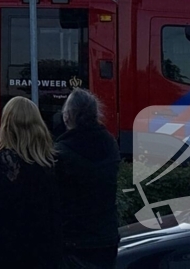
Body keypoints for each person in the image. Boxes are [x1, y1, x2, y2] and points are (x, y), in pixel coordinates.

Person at [0, 96, 62, 269]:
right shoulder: (51, 163)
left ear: (7, 127)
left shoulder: (3, 164)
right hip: (45, 257)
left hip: (7, 257)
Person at [55, 89, 121, 269]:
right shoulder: (110, 144)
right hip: (107, 239)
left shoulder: (62, 152)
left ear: (67, 116)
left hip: (75, 241)